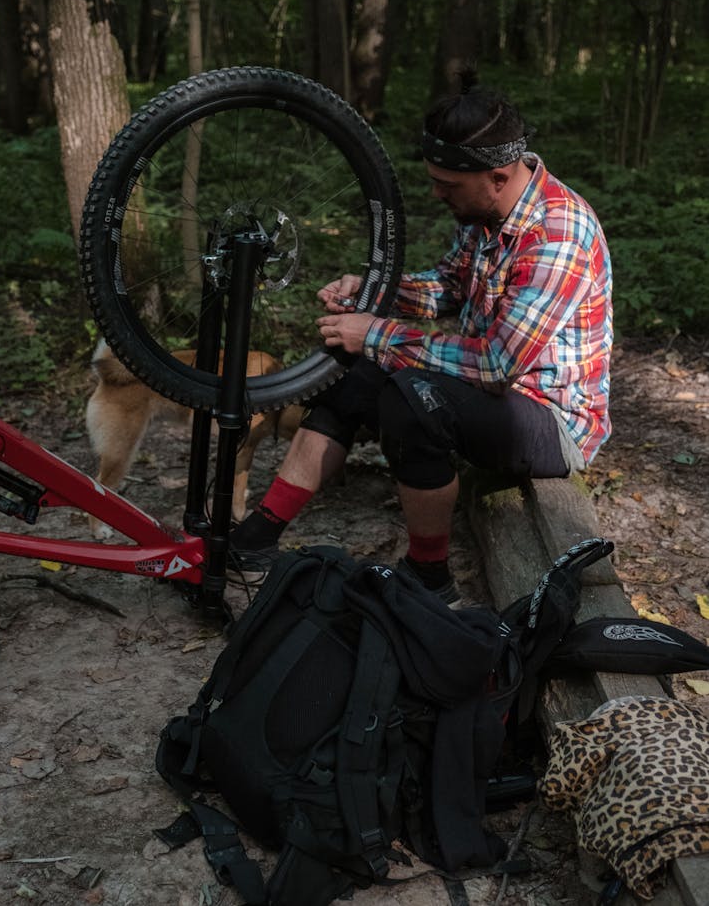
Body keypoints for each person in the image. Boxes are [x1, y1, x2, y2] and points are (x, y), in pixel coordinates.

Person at [229, 71, 613, 603]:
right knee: (355, 370)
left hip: (550, 418)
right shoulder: (484, 211)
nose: (436, 192)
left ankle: (431, 581)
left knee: (414, 402)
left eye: (447, 184)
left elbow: (499, 365)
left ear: (498, 176)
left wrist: (380, 333)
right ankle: (254, 539)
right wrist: (374, 293)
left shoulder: (557, 234)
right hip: (492, 395)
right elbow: (445, 291)